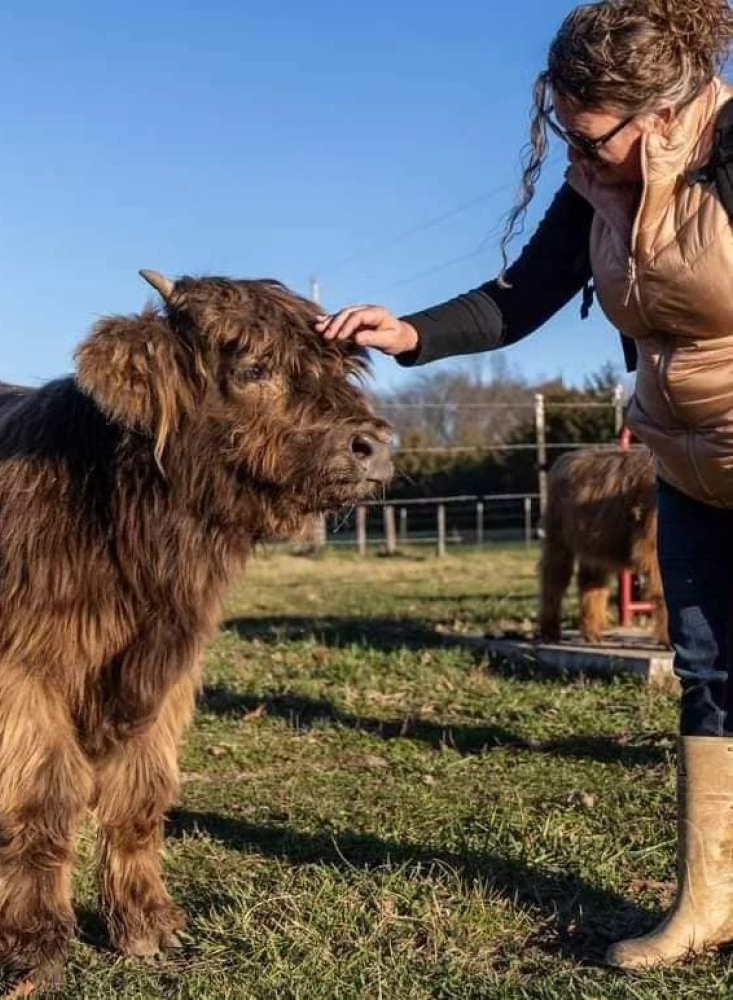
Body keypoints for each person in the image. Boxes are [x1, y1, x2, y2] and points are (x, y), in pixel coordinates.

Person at [316, 0, 733, 971]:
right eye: (565, 139)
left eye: (593, 143)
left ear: (662, 115)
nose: (579, 165)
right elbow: (522, 295)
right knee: (710, 672)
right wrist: (409, 332)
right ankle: (707, 901)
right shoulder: (599, 187)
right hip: (685, 465)